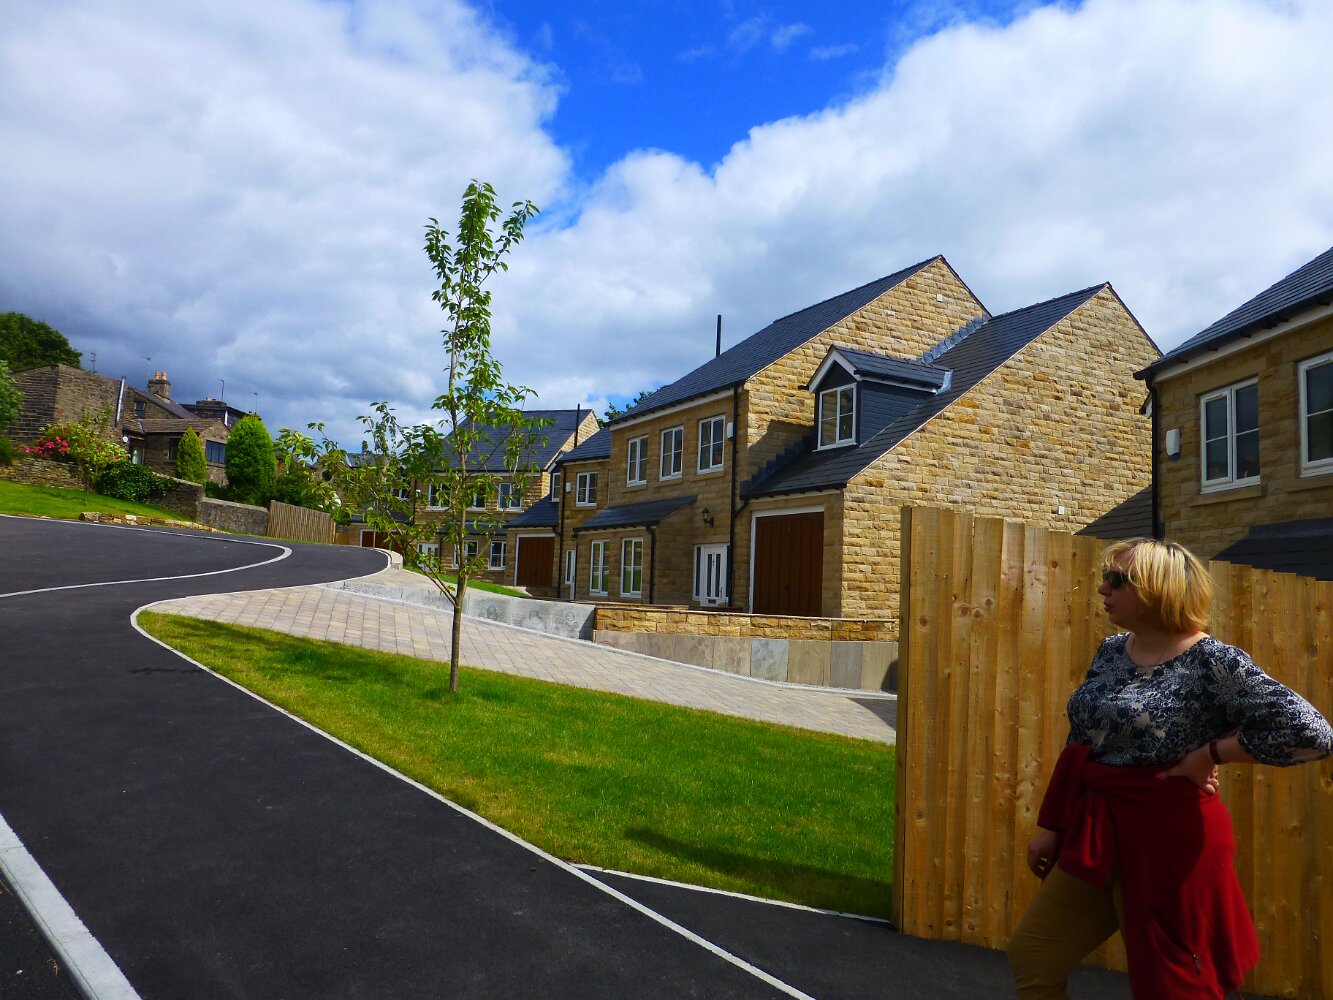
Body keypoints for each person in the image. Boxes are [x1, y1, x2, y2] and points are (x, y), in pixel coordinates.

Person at [1008, 538, 1332, 1000]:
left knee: (1175, 983)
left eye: (1117, 580)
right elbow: (1081, 741)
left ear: (1157, 590)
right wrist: (1054, 827)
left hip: (1170, 840)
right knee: (1034, 953)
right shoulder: (1112, 650)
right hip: (1099, 831)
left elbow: (1311, 732)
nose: (1102, 588)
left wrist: (1209, 755)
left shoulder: (1212, 662)